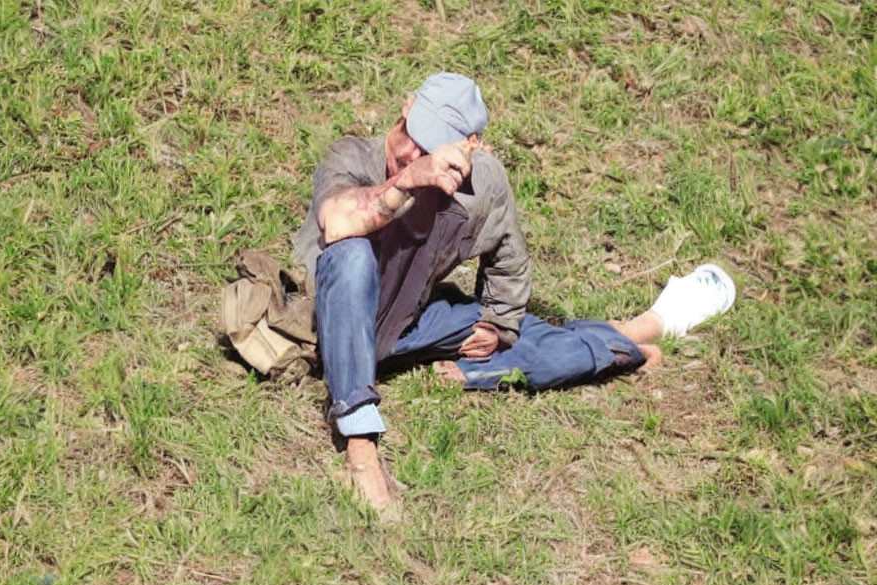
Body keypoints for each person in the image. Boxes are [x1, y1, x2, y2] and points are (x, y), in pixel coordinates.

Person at [291, 72, 736, 513]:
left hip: (406, 323)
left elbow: (508, 257)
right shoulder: (351, 157)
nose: (411, 153)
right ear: (405, 107)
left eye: (429, 149)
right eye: (411, 134)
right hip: (328, 322)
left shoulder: (479, 184)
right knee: (351, 255)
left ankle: (644, 329)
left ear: (469, 145)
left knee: (534, 348)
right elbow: (337, 222)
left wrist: (497, 323)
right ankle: (360, 448)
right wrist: (408, 181)